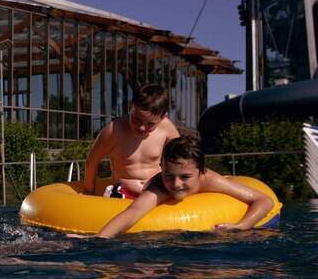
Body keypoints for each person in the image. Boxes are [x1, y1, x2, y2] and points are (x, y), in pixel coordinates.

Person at [76, 135, 274, 238]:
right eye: (169, 175)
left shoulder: (210, 180)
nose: (176, 184)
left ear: (201, 171)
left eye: (185, 177)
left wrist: (241, 226)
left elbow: (264, 200)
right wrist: (99, 239)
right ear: (161, 168)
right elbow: (133, 212)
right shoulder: (159, 186)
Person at [83, 83, 179, 198]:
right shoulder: (114, 131)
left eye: (150, 124)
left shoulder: (166, 128)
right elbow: (92, 160)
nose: (142, 127)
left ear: (163, 117)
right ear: (130, 107)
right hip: (122, 191)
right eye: (137, 119)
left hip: (155, 189)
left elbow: (183, 158)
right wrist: (89, 192)